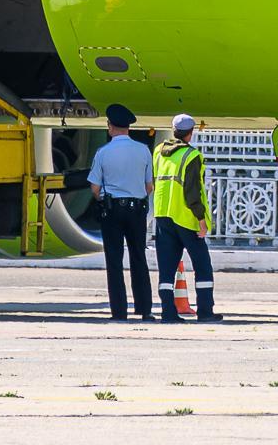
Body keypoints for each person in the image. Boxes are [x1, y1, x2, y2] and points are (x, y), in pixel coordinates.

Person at [87, 102, 154, 321]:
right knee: (138, 258)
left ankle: (119, 312)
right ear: (129, 127)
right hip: (136, 210)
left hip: (112, 210)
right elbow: (149, 186)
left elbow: (95, 188)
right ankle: (144, 310)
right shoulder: (143, 150)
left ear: (110, 126)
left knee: (114, 261)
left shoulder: (103, 152)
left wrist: (103, 198)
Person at [152, 112, 220, 322]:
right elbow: (192, 192)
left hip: (162, 215)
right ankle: (206, 312)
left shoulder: (159, 152)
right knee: (202, 265)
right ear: (190, 134)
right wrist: (201, 219)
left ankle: (167, 312)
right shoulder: (192, 156)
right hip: (186, 218)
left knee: (166, 268)